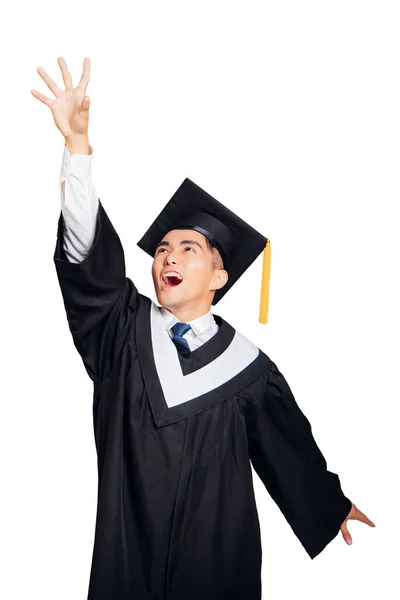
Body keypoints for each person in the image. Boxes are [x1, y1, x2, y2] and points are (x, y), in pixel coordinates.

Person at [32, 57, 375, 600]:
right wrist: (78, 149)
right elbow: (85, 257)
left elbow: (287, 446)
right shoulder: (121, 332)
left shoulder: (250, 370)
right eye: (162, 249)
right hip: (129, 564)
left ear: (220, 274)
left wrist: (328, 503)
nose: (167, 256)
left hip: (216, 562)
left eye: (188, 249)